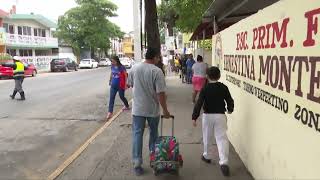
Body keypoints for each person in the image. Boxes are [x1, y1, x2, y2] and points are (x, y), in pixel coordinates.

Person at [127, 47, 171, 176]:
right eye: (159, 57)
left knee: (137, 135)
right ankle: (154, 161)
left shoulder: (135, 68)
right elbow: (160, 94)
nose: (159, 59)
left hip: (138, 110)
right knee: (154, 135)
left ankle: (137, 164)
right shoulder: (157, 71)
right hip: (152, 110)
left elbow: (129, 84)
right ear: (155, 57)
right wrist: (166, 111)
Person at [192, 66, 234, 177]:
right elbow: (229, 100)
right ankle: (224, 162)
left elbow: (199, 103)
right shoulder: (223, 87)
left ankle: (207, 156)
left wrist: (194, 117)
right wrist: (230, 109)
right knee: (222, 138)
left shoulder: (205, 89)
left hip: (207, 116)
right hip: (220, 115)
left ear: (207, 76)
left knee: (207, 136)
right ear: (219, 76)